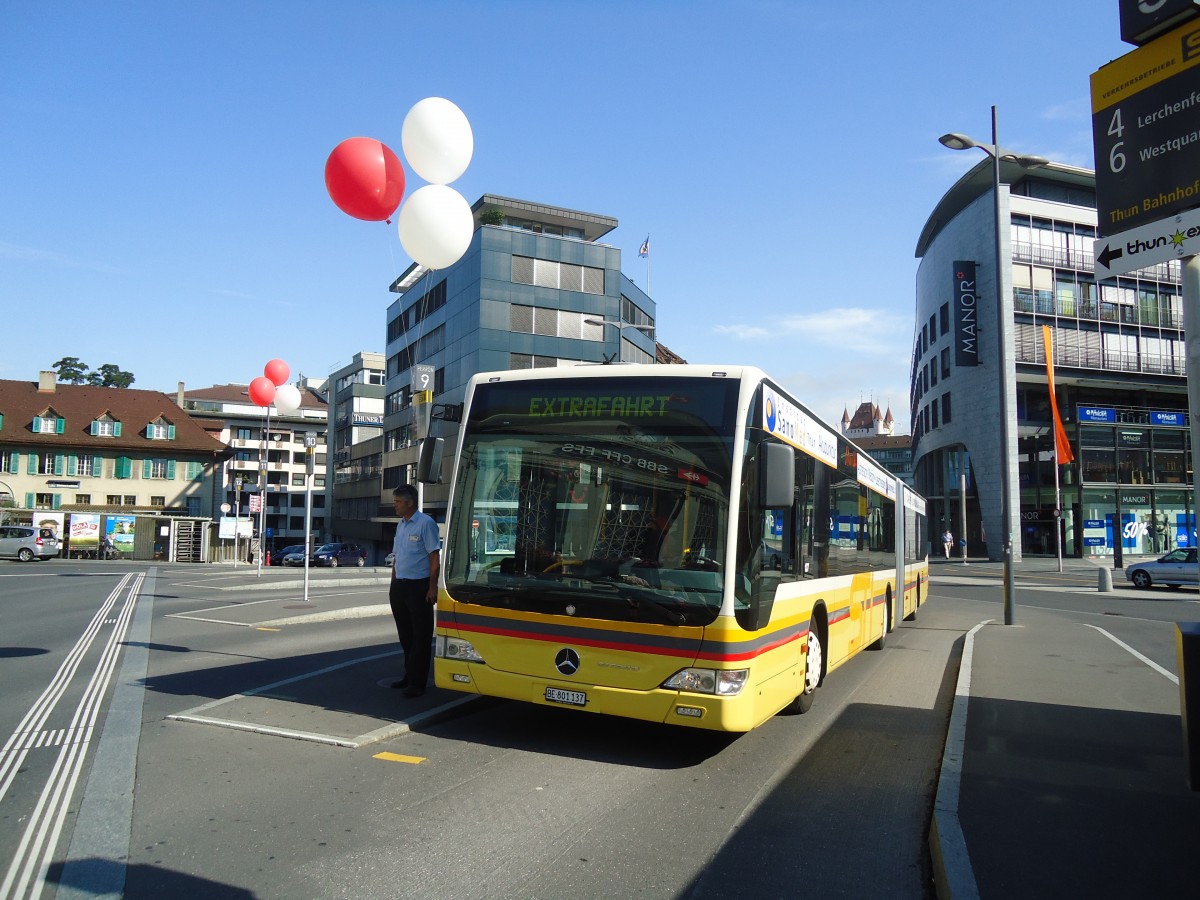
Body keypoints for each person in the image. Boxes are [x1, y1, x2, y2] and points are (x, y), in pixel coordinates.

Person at [388, 484, 441, 698]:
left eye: (398, 502)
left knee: (421, 637)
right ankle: (409, 676)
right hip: (400, 586)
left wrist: (432, 587)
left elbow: (434, 557)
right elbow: (396, 557)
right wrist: (393, 583)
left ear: (409, 503)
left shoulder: (425, 524)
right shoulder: (401, 525)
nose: (395, 506)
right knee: (406, 635)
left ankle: (418, 683)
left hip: (419, 587)